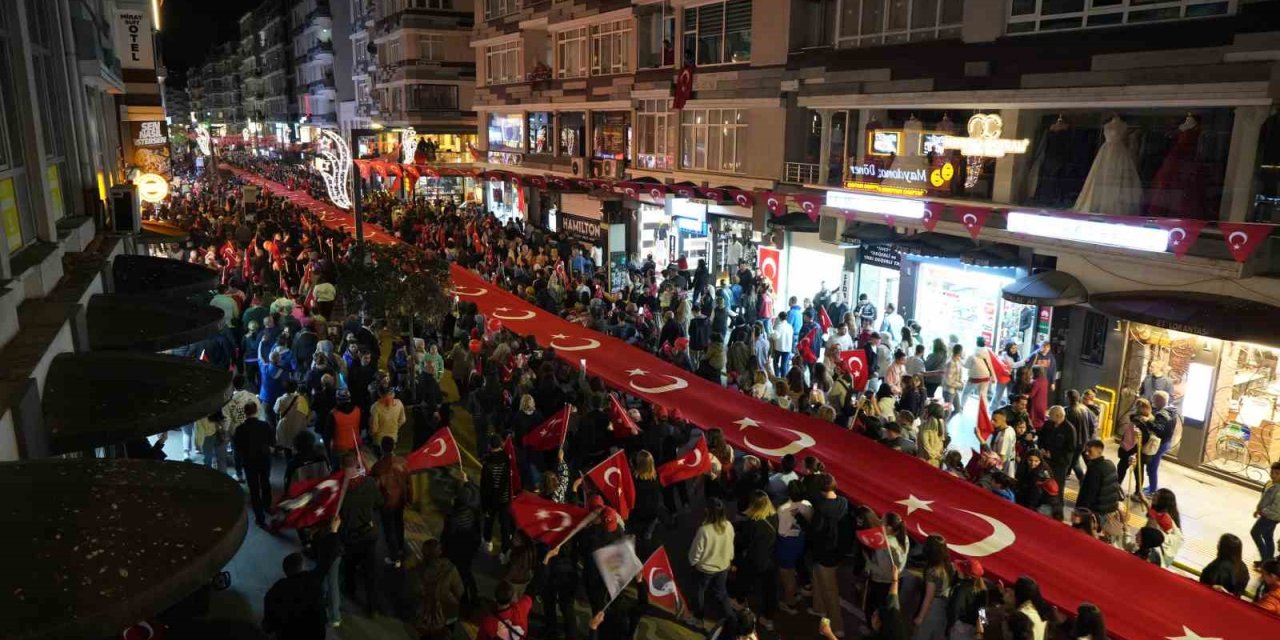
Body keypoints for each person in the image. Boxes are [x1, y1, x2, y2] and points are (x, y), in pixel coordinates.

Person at [261, 516, 342, 640]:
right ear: (302, 566)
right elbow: (328, 560)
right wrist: (333, 532)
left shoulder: (276, 591)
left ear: (286, 571)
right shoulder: (312, 581)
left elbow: (268, 626)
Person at [338, 449, 385, 617]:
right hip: (368, 533)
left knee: (349, 567)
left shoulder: (340, 489)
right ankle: (372, 607)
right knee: (369, 572)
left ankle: (349, 591)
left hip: (350, 536)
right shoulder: (370, 483)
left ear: (343, 467)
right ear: (357, 466)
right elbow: (379, 502)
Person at [809, 473, 849, 638]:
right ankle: (819, 607)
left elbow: (815, 531)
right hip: (837, 551)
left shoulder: (820, 507)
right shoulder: (843, 502)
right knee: (817, 578)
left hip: (824, 553)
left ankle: (838, 625)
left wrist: (801, 518)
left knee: (831, 590)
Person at [733, 490, 779, 630]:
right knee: (770, 590)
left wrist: (735, 534)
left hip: (755, 560)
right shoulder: (774, 516)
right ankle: (768, 618)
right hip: (771, 558)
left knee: (744, 578)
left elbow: (743, 541)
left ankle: (740, 602)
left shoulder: (753, 523)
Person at [688, 497, 735, 628]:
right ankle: (732, 620)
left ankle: (698, 618)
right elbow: (730, 545)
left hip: (705, 569)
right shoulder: (729, 526)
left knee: (699, 591)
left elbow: (696, 552)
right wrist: (729, 559)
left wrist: (693, 562)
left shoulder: (704, 530)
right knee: (721, 593)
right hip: (723, 566)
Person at [371, 436, 411, 568]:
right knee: (399, 524)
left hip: (386, 502)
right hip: (400, 500)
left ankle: (394, 557)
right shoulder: (402, 462)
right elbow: (409, 483)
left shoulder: (378, 467)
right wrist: (409, 498)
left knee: (389, 529)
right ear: (394, 447)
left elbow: (375, 489)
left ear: (382, 448)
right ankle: (401, 548)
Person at [233, 402, 275, 527]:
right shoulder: (265, 425)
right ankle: (267, 506)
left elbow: (237, 449)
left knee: (254, 489)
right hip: (264, 459)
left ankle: (260, 518)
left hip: (249, 462)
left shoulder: (240, 429)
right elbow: (272, 442)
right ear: (256, 410)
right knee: (265, 483)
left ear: (245, 413)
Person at [1077, 439, 1123, 543]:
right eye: (1086, 451)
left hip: (1096, 512)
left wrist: (1080, 511)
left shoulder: (1094, 469)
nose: (1087, 454)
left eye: (1090, 451)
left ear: (1099, 451)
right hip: (1109, 511)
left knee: (1085, 539)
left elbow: (1088, 494)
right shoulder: (1110, 464)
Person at [776, 481, 812, 614]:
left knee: (787, 575)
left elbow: (782, 532)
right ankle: (794, 594)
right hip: (800, 540)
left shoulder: (783, 509)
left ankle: (790, 603)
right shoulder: (807, 505)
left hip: (787, 543)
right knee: (793, 571)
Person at [479, 434, 515, 558]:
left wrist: (485, 506)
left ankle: (488, 542)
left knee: (489, 521)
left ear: (490, 446)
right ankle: (505, 552)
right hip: (505, 499)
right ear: (501, 445)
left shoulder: (487, 463)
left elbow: (484, 488)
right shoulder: (508, 460)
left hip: (491, 501)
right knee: (505, 526)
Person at [1037, 406, 1075, 519]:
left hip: (1059, 464)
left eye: (1051, 416)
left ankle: (1058, 513)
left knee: (1057, 487)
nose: (1049, 418)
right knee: (1044, 482)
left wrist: (1053, 455)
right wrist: (1042, 448)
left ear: (1058, 416)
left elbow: (1070, 449)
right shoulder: (1048, 424)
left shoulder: (1069, 429)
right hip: (1045, 460)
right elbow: (1041, 437)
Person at [948, 558, 988, 640]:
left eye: (961, 570)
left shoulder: (961, 589)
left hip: (960, 629)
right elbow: (982, 613)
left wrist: (949, 626)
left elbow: (955, 609)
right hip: (973, 631)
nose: (958, 570)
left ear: (968, 575)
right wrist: (980, 632)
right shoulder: (983, 591)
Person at [1064, 389, 1097, 484]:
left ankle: (1083, 481)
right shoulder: (1085, 409)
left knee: (1074, 463)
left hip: (1073, 442)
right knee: (1076, 462)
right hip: (1084, 441)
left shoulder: (1067, 411)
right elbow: (1092, 425)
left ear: (1068, 398)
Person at [1252, 461, 1280, 565]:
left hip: (1270, 517)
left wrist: (1261, 511)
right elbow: (1265, 500)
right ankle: (1269, 560)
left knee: (1255, 533)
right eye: (1272, 472)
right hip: (1269, 516)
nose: (1273, 475)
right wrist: (1258, 509)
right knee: (1268, 536)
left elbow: (1276, 508)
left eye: (1277, 474)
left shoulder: (1278, 489)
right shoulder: (1271, 484)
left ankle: (1265, 560)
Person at [959, 336, 996, 411]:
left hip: (974, 377)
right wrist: (993, 377)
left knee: (966, 392)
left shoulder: (972, 355)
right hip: (986, 376)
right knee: (983, 395)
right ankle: (985, 410)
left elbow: (966, 365)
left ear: (976, 343)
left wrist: (960, 359)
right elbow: (990, 366)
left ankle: (961, 406)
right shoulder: (987, 354)